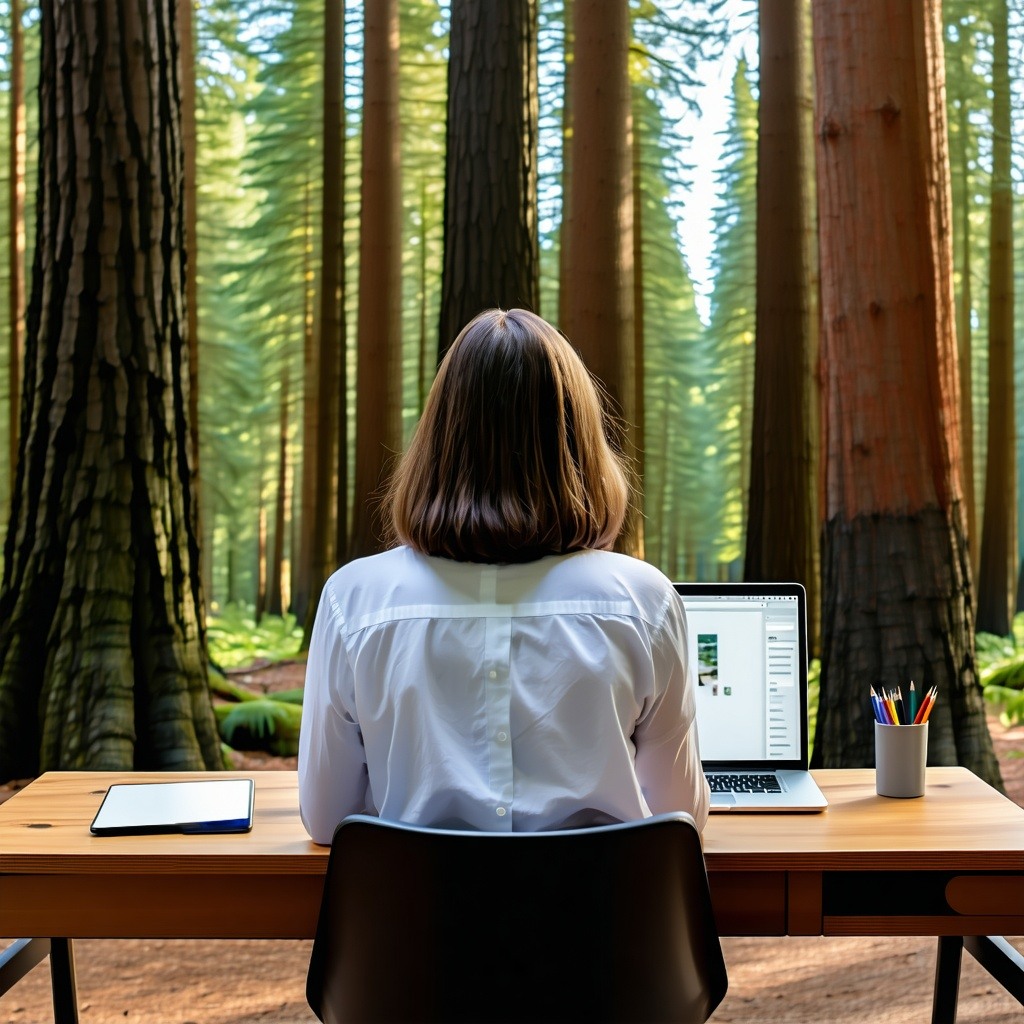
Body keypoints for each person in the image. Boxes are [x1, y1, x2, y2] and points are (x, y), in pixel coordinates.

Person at [298, 308, 709, 844]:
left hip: (415, 929)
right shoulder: (644, 601)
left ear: (439, 442)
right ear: (578, 445)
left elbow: (328, 819)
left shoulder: (353, 602)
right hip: (601, 928)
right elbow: (679, 817)